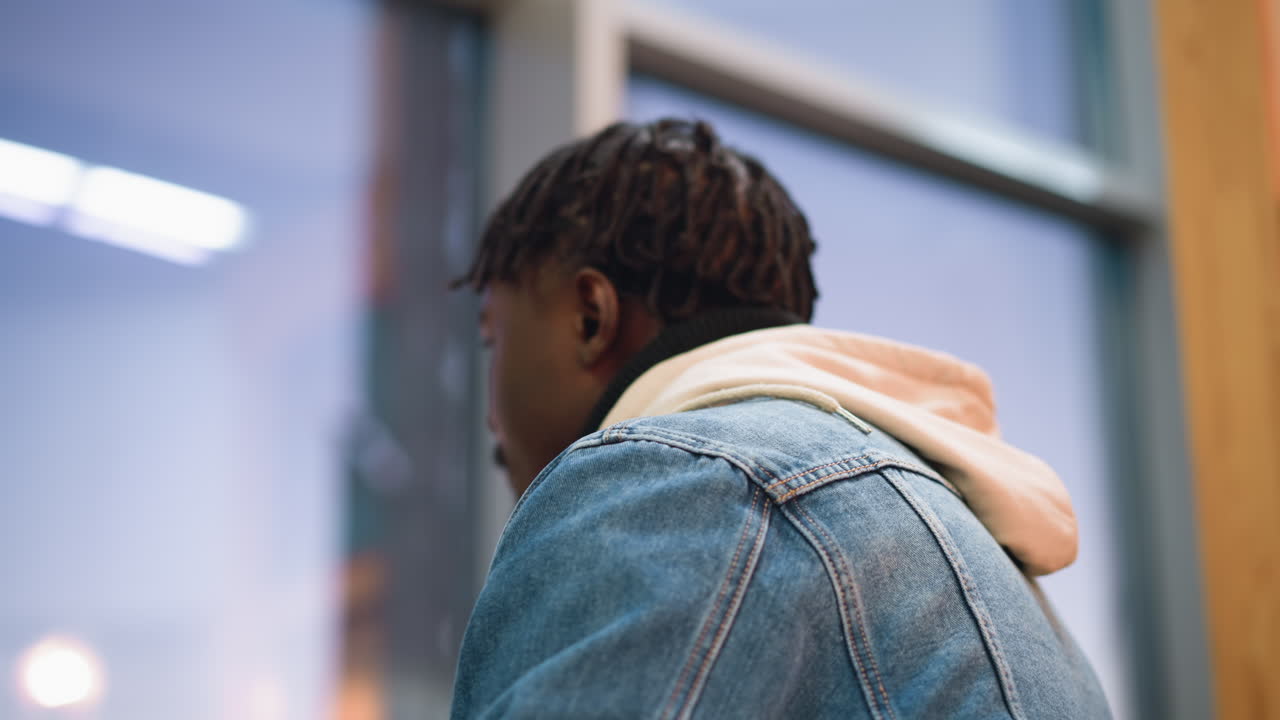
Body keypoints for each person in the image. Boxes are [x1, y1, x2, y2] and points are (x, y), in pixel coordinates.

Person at [449, 118, 1111, 719]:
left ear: (591, 318)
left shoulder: (676, 483)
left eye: (492, 338)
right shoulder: (965, 540)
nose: (488, 416)